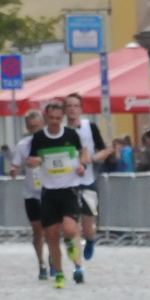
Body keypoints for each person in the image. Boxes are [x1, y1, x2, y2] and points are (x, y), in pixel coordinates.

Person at [24, 100, 85, 290]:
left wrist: (82, 165)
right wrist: (32, 162)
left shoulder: (71, 134)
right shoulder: (39, 138)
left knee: (68, 229)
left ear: (63, 118)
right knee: (50, 236)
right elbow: (31, 159)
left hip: (69, 189)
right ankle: (59, 273)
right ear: (45, 117)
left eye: (58, 118)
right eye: (51, 118)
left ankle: (70, 242)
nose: (55, 122)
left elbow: (82, 152)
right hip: (49, 191)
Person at [64, 92, 107, 265]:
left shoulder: (90, 127)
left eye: (76, 106)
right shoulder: (61, 130)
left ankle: (90, 239)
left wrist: (92, 159)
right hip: (67, 183)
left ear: (81, 109)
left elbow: (102, 150)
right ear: (65, 110)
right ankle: (77, 265)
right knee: (71, 226)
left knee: (88, 227)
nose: (72, 109)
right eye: (69, 106)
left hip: (88, 182)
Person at [11, 109, 47, 280]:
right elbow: (15, 165)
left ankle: (54, 257)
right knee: (38, 230)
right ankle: (41, 263)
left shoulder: (51, 142)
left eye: (37, 126)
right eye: (31, 127)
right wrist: (13, 170)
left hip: (50, 190)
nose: (35, 130)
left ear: (43, 125)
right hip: (31, 193)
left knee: (53, 230)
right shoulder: (23, 145)